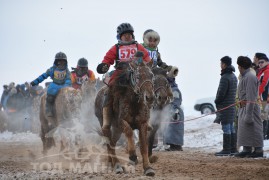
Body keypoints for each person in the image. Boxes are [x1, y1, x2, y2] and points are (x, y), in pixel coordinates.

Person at [96, 23, 151, 135]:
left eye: (129, 34)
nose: (127, 36)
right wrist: (104, 66)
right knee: (108, 90)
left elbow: (147, 59)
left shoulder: (138, 47)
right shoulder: (116, 48)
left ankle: (147, 120)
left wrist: (147, 64)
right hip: (120, 73)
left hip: (136, 73)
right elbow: (107, 60)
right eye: (124, 35)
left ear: (133, 35)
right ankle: (106, 121)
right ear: (119, 36)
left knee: (147, 89)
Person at [235, 56, 263, 158]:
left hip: (251, 107)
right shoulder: (244, 76)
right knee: (245, 129)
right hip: (244, 106)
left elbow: (251, 97)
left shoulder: (250, 77)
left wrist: (249, 114)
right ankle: (247, 149)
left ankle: (258, 150)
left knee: (254, 128)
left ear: (240, 66)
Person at [30, 52, 71, 117]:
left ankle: (72, 110)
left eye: (63, 62)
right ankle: (48, 110)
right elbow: (44, 75)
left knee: (70, 94)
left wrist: (66, 86)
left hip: (64, 85)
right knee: (50, 92)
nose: (61, 64)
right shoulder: (52, 69)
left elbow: (68, 79)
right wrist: (36, 82)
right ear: (56, 62)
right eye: (59, 62)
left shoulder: (67, 71)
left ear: (65, 62)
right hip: (55, 84)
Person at [214, 56, 238, 156]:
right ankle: (233, 149)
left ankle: (226, 149)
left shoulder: (225, 77)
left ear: (224, 64)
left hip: (225, 106)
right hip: (231, 106)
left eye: (221, 63)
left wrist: (217, 101)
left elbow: (221, 93)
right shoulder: (234, 76)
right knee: (231, 127)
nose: (220, 65)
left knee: (226, 128)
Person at [163, 66, 184, 151]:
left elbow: (176, 101)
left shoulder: (174, 90)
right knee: (170, 129)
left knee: (175, 129)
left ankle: (176, 146)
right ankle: (172, 145)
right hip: (170, 111)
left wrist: (174, 111)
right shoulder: (169, 88)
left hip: (175, 112)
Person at [256, 54, 269, 140]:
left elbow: (264, 84)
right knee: (263, 116)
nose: (260, 64)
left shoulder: (267, 71)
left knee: (264, 117)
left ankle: (264, 136)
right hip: (261, 98)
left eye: (262, 62)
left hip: (265, 98)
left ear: (267, 62)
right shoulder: (261, 71)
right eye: (259, 62)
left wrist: (256, 94)